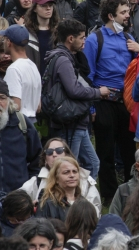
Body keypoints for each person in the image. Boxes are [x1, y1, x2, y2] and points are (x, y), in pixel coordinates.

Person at [84, 0, 139, 204]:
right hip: (104, 100)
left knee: (129, 150)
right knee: (105, 151)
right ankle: (109, 195)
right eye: (123, 12)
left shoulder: (128, 37)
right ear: (111, 16)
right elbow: (88, 75)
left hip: (126, 101)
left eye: (127, 12)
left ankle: (131, 191)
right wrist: (91, 106)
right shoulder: (94, 39)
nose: (127, 16)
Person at [42, 19, 106, 178]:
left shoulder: (68, 57)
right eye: (82, 37)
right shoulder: (63, 60)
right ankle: (68, 199)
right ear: (71, 39)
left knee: (92, 163)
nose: (85, 41)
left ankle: (84, 197)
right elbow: (74, 90)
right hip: (69, 123)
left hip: (78, 122)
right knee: (68, 167)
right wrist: (98, 92)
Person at [20, 138, 100, 214]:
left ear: (67, 154)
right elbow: (16, 201)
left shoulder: (84, 179)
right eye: (49, 152)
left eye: (59, 150)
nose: (54, 154)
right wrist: (30, 208)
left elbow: (96, 210)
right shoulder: (37, 181)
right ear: (45, 159)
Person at [0, 24, 41, 126]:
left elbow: (15, 106)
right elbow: (38, 107)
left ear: (9, 42)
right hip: (33, 123)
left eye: (4, 39)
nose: (3, 42)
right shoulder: (33, 66)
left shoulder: (14, 69)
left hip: (19, 125)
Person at [24, 0, 58, 75]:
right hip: (34, 76)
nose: (48, 8)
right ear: (34, 8)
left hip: (54, 77)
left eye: (50, 5)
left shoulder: (59, 30)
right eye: (43, 6)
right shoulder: (26, 31)